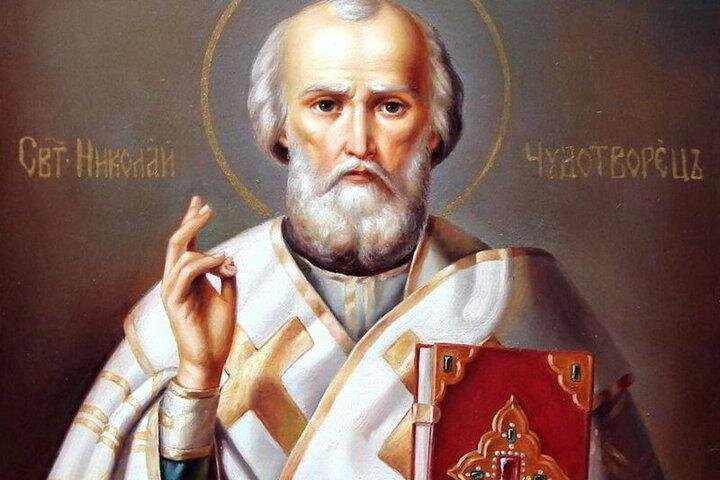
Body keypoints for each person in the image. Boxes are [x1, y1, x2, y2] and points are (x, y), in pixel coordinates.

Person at [49, 1, 663, 479]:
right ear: (280, 127)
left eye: (391, 106)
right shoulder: (196, 305)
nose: (359, 143)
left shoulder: (516, 303)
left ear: (433, 129)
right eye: (326, 105)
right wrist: (196, 385)